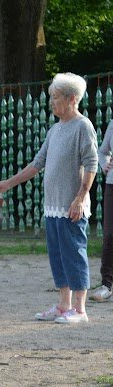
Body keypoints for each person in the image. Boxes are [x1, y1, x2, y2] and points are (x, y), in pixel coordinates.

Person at [0, 73, 98, 324]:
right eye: (51, 97)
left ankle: (80, 310)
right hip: (53, 206)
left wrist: (80, 198)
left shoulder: (83, 126)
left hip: (72, 206)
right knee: (58, 257)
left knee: (74, 255)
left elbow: (92, 164)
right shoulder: (54, 130)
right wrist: (7, 184)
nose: (51, 102)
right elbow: (37, 164)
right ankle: (63, 305)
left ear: (72, 99)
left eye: (55, 97)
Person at [91, 119, 113, 301]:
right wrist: (105, 165)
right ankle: (107, 285)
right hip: (112, 185)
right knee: (109, 236)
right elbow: (103, 151)